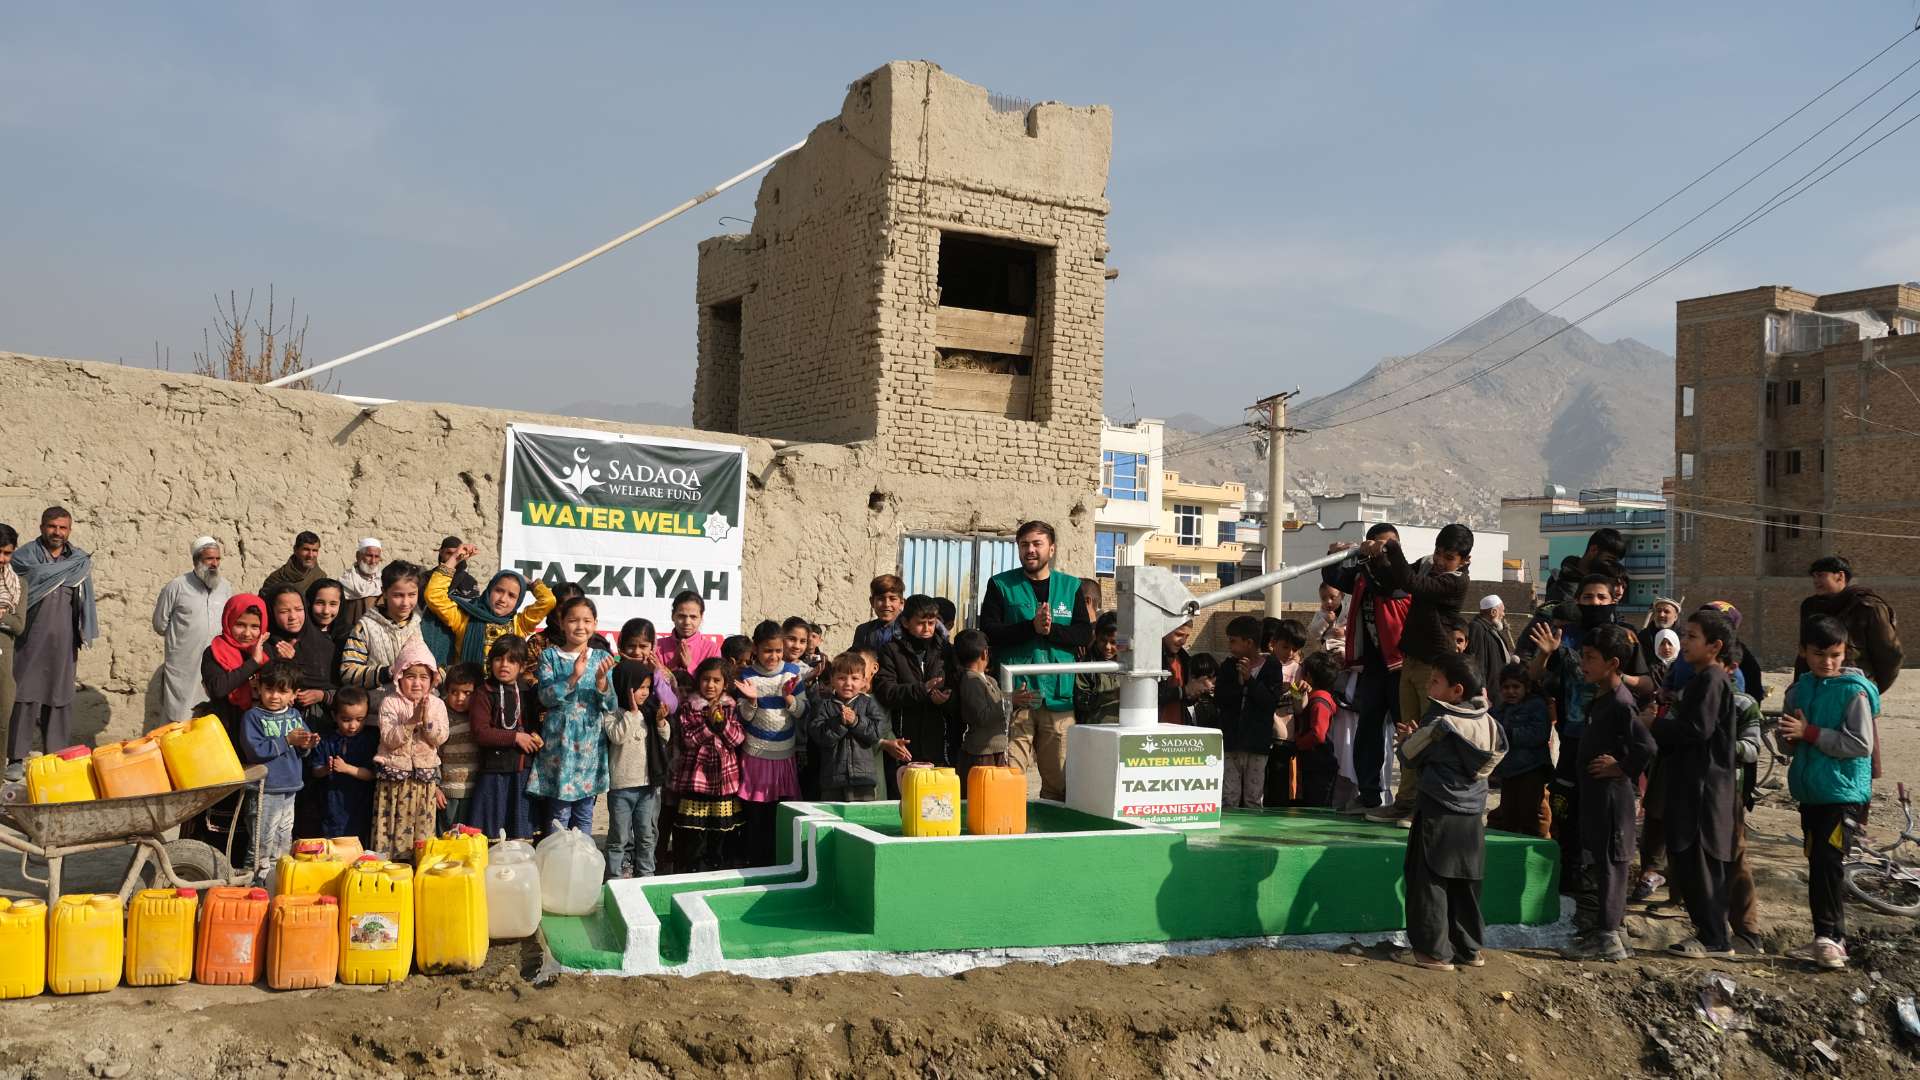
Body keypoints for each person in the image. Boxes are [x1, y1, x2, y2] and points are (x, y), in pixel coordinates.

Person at [1780, 614, 1882, 970]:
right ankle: (1826, 936)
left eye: (1835, 655)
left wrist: (1809, 734)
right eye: (1819, 654)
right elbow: (1791, 741)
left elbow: (1860, 743)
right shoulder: (1798, 689)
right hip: (1811, 792)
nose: (1828, 662)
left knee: (1828, 861)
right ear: (1803, 652)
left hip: (1843, 793)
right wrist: (1789, 738)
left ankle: (1831, 939)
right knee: (1818, 862)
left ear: (1845, 654)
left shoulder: (1853, 692)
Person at [1396, 652, 1505, 972]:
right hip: (1473, 814)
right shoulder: (1490, 723)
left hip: (1437, 810)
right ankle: (1469, 949)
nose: (1429, 686)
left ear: (1456, 691)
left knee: (1429, 879)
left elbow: (1409, 755)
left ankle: (1433, 952)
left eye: (1435, 681)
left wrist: (1407, 737)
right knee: (1466, 882)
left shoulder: (1440, 721)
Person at [977, 521, 1095, 801]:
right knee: (1010, 773)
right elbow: (989, 631)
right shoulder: (1000, 585)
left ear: (1051, 549)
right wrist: (1030, 627)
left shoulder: (1071, 586)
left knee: (1059, 778)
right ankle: (1006, 829)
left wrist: (1050, 630)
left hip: (1059, 698)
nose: (1030, 550)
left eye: (1036, 544)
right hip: (1018, 696)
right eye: (1024, 544)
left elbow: (1083, 632)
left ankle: (1052, 833)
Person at [1560, 626, 1658, 962]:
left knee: (1613, 866)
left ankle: (1607, 937)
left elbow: (1646, 746)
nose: (1582, 664)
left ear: (1613, 663)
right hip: (1597, 799)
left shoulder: (1620, 702)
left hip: (1613, 800)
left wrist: (1621, 767)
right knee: (1604, 864)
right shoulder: (1600, 698)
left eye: (1590, 658)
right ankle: (1612, 933)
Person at [1368, 524, 1473, 826]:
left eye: (1449, 557)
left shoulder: (1457, 582)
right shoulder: (1428, 566)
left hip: (1434, 667)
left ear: (1463, 560)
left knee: (1429, 738)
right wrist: (1374, 558)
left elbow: (1413, 584)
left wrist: (1392, 548)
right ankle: (1405, 803)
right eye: (1439, 553)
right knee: (1408, 737)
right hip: (1411, 661)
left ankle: (1425, 807)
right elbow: (1392, 580)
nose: (1440, 560)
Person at [1652, 608, 1740, 959]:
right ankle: (1709, 933)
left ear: (1714, 645)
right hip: (1693, 782)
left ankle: (1715, 937)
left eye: (1691, 637)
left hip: (1704, 786)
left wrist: (1652, 725)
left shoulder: (1711, 680)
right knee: (1689, 860)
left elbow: (1696, 731)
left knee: (1702, 861)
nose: (1684, 642)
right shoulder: (1701, 679)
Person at [1322, 522, 1410, 814]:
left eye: (1390, 546)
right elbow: (1336, 577)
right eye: (1380, 545)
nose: (1384, 551)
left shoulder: (1401, 575)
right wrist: (1336, 554)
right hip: (1374, 665)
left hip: (1401, 666)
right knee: (1368, 731)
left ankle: (1410, 799)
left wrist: (1374, 556)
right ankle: (1369, 794)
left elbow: (1385, 579)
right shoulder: (1363, 574)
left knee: (1408, 732)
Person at [9, 507, 98, 774]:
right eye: (52, 526)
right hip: (29, 640)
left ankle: (56, 756)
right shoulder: (24, 558)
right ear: (41, 527)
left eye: (62, 528)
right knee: (24, 696)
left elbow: (85, 601)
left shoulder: (78, 561)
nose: (57, 532)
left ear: (69, 530)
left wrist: (83, 631)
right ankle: (15, 758)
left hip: (64, 642)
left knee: (59, 697)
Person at [530, 596, 615, 834]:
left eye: (587, 620)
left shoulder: (601, 658)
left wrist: (601, 682)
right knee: (559, 812)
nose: (580, 626)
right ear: (562, 623)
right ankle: (556, 864)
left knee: (584, 813)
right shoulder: (549, 656)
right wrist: (573, 677)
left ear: (595, 623)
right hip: (560, 743)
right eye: (573, 620)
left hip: (590, 744)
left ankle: (582, 866)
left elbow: (611, 704)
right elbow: (545, 697)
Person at [237, 660, 319, 881]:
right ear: (259, 688)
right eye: (269, 689)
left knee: (283, 838)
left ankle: (274, 882)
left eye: (282, 691)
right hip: (265, 789)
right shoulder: (253, 717)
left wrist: (307, 745)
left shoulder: (294, 716)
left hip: (289, 787)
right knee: (261, 842)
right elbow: (256, 751)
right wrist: (287, 739)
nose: (275, 696)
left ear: (293, 694)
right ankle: (251, 886)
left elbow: (301, 750)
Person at [734, 622, 804, 865]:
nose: (773, 656)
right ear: (756, 648)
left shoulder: (793, 672)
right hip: (756, 755)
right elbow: (744, 716)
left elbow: (802, 710)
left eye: (777, 651)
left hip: (784, 755)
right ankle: (755, 862)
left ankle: (779, 862)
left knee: (779, 812)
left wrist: (789, 699)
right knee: (756, 814)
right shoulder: (747, 676)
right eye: (767, 651)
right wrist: (752, 701)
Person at [421, 543, 557, 669]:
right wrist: (454, 559)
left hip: (503, 693)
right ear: (489, 590)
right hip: (468, 690)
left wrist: (532, 584)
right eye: (499, 591)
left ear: (519, 601)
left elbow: (548, 600)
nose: (503, 599)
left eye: (512, 596)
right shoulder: (465, 618)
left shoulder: (520, 624)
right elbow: (434, 596)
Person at [874, 595, 958, 795]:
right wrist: (923, 689)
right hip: (904, 741)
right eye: (921, 623)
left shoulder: (946, 650)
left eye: (931, 623)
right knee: (906, 799)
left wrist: (946, 700)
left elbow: (958, 687)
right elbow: (886, 691)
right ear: (905, 622)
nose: (927, 628)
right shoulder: (891, 651)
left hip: (940, 741)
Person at [372, 638, 448, 856]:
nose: (417, 683)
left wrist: (426, 721)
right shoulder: (390, 703)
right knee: (391, 831)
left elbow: (440, 738)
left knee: (421, 833)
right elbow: (389, 738)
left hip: (423, 784)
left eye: (424, 677)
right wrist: (411, 720)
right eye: (410, 676)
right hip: (394, 783)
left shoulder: (437, 704)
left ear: (432, 679)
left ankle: (417, 874)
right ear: (399, 677)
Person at [672, 657, 746, 871]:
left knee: (720, 831)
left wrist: (721, 723)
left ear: (725, 684)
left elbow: (737, 739)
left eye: (716, 681)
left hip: (724, 779)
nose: (710, 685)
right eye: (706, 679)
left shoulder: (731, 706)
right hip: (697, 778)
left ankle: (718, 866)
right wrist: (709, 725)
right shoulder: (689, 706)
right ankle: (694, 868)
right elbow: (688, 739)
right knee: (695, 831)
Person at [466, 635, 542, 841]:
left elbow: (535, 725)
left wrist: (536, 735)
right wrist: (516, 737)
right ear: (490, 662)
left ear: (523, 665)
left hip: (521, 772)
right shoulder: (484, 692)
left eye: (512, 660)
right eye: (498, 659)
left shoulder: (528, 692)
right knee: (491, 836)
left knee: (520, 837)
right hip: (493, 773)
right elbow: (480, 732)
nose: (504, 665)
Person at [151, 536, 233, 725]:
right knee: (179, 716)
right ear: (197, 560)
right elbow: (160, 624)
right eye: (209, 559)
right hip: (183, 664)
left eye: (217, 559)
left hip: (215, 661)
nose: (214, 564)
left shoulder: (225, 587)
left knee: (210, 714)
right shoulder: (177, 587)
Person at [605, 659, 672, 878]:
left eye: (647, 687)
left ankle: (646, 876)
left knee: (646, 834)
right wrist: (631, 714)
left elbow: (665, 738)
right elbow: (618, 737)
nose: (644, 692)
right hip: (621, 787)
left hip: (647, 786)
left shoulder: (651, 711)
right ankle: (615, 876)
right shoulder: (612, 713)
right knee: (619, 837)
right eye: (639, 687)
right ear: (625, 686)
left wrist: (661, 722)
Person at [1796, 555, 1902, 693]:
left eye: (1821, 575)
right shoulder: (1810, 606)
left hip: (1852, 688)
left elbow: (1890, 654)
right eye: (1814, 577)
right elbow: (1804, 651)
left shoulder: (1868, 607)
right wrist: (1798, 685)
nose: (1816, 581)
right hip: (1813, 687)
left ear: (1840, 576)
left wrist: (1871, 689)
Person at [337, 561, 426, 710]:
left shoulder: (418, 625)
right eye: (398, 595)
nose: (405, 602)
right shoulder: (366, 628)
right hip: (377, 712)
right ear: (384, 592)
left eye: (412, 595)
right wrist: (386, 672)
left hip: (413, 712)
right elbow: (348, 672)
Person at [954, 629, 1033, 786]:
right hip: (982, 753)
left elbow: (999, 705)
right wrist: (1010, 701)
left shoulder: (989, 680)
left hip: (996, 750)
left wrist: (1016, 699)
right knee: (983, 796)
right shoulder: (971, 681)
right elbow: (981, 715)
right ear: (985, 653)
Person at [807, 653, 888, 801]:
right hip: (833, 779)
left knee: (861, 821)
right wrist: (840, 723)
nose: (848, 683)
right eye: (842, 678)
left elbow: (876, 732)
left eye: (855, 678)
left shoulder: (868, 704)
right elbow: (819, 736)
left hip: (863, 779)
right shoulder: (824, 706)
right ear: (832, 679)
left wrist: (856, 721)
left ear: (864, 681)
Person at [1486, 663, 1552, 839]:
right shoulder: (1499, 710)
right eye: (1506, 687)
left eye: (1516, 687)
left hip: (1531, 769)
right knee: (1509, 814)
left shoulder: (1536, 706)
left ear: (1527, 688)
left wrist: (1508, 734)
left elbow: (1539, 734)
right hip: (1509, 772)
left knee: (1531, 815)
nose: (1511, 691)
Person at [1249, 618, 1306, 808]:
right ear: (1273, 643)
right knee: (1256, 781)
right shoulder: (1260, 664)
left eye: (1295, 649)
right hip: (1262, 733)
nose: (1290, 653)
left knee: (1279, 782)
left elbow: (1299, 708)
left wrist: (1299, 692)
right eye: (1285, 647)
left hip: (1284, 737)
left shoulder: (1298, 670)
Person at [313, 686, 377, 845]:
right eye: (346, 720)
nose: (353, 726)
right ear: (335, 716)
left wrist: (347, 768)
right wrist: (326, 769)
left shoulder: (368, 741)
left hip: (360, 806)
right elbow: (315, 770)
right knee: (334, 848)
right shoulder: (326, 740)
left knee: (358, 847)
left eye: (359, 719)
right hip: (332, 806)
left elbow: (372, 774)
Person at [1215, 616, 1266, 810]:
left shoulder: (1271, 667)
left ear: (1249, 642)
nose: (1230, 645)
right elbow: (1221, 698)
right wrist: (1239, 682)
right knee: (1230, 796)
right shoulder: (1228, 666)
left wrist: (1250, 681)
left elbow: (1268, 702)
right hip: (1231, 741)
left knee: (1254, 798)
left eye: (1233, 641)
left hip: (1256, 743)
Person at [200, 594, 269, 737]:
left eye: (255, 626)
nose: (247, 633)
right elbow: (218, 688)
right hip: (226, 729)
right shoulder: (215, 651)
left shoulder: (266, 653)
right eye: (240, 625)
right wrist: (253, 663)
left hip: (260, 731)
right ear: (228, 621)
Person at [1288, 652, 1342, 807]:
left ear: (1309, 676)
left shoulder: (1319, 700)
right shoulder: (1315, 697)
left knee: (1316, 806)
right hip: (1314, 762)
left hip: (1319, 763)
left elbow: (1318, 734)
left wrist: (1297, 743)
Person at [436, 663, 483, 830]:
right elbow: (432, 753)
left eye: (466, 693)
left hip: (474, 793)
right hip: (446, 794)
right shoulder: (440, 716)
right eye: (453, 692)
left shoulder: (480, 717)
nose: (459, 698)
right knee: (446, 837)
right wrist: (434, 787)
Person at [657, 591, 724, 689]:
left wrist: (690, 665)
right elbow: (652, 683)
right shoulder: (658, 646)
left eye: (693, 617)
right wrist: (673, 663)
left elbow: (713, 686)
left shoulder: (711, 649)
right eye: (681, 616)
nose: (687, 622)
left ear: (701, 617)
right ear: (673, 616)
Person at [1074, 613, 1122, 726]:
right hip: (1095, 728)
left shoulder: (1129, 664)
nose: (1107, 647)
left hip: (1124, 728)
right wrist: (1112, 695)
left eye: (1113, 642)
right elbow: (1081, 701)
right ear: (1096, 636)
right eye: (1103, 640)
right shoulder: (1087, 666)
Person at [0, 525, 22, 773]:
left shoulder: (17, 584)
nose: (2, 559)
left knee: (2, 725)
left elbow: (18, 624)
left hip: (2, 666)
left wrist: (3, 617)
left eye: (7, 553)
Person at [1464, 595, 1513, 700]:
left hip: (1498, 690)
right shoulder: (1477, 627)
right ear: (1493, 612)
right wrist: (1481, 688)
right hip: (1489, 692)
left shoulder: (1492, 629)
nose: (1503, 614)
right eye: (1502, 611)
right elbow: (1477, 661)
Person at [260, 531, 326, 597]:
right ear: (295, 550)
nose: (310, 555)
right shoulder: (276, 579)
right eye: (306, 549)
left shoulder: (320, 577)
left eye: (314, 550)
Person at [852, 575, 907, 654]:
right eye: (881, 599)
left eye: (892, 599)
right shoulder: (863, 631)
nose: (887, 604)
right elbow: (855, 661)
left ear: (902, 602)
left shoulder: (909, 630)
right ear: (871, 602)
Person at [338, 538, 385, 628]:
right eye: (369, 555)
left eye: (377, 556)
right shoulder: (346, 581)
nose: (373, 561)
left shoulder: (383, 581)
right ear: (358, 556)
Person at [1306, 582, 1347, 657]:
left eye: (1333, 598)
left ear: (1342, 596)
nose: (1328, 602)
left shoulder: (1348, 610)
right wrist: (1325, 621)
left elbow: (1356, 626)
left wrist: (1345, 631)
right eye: (1324, 598)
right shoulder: (1320, 614)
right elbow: (1313, 632)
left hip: (1345, 646)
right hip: (1327, 649)